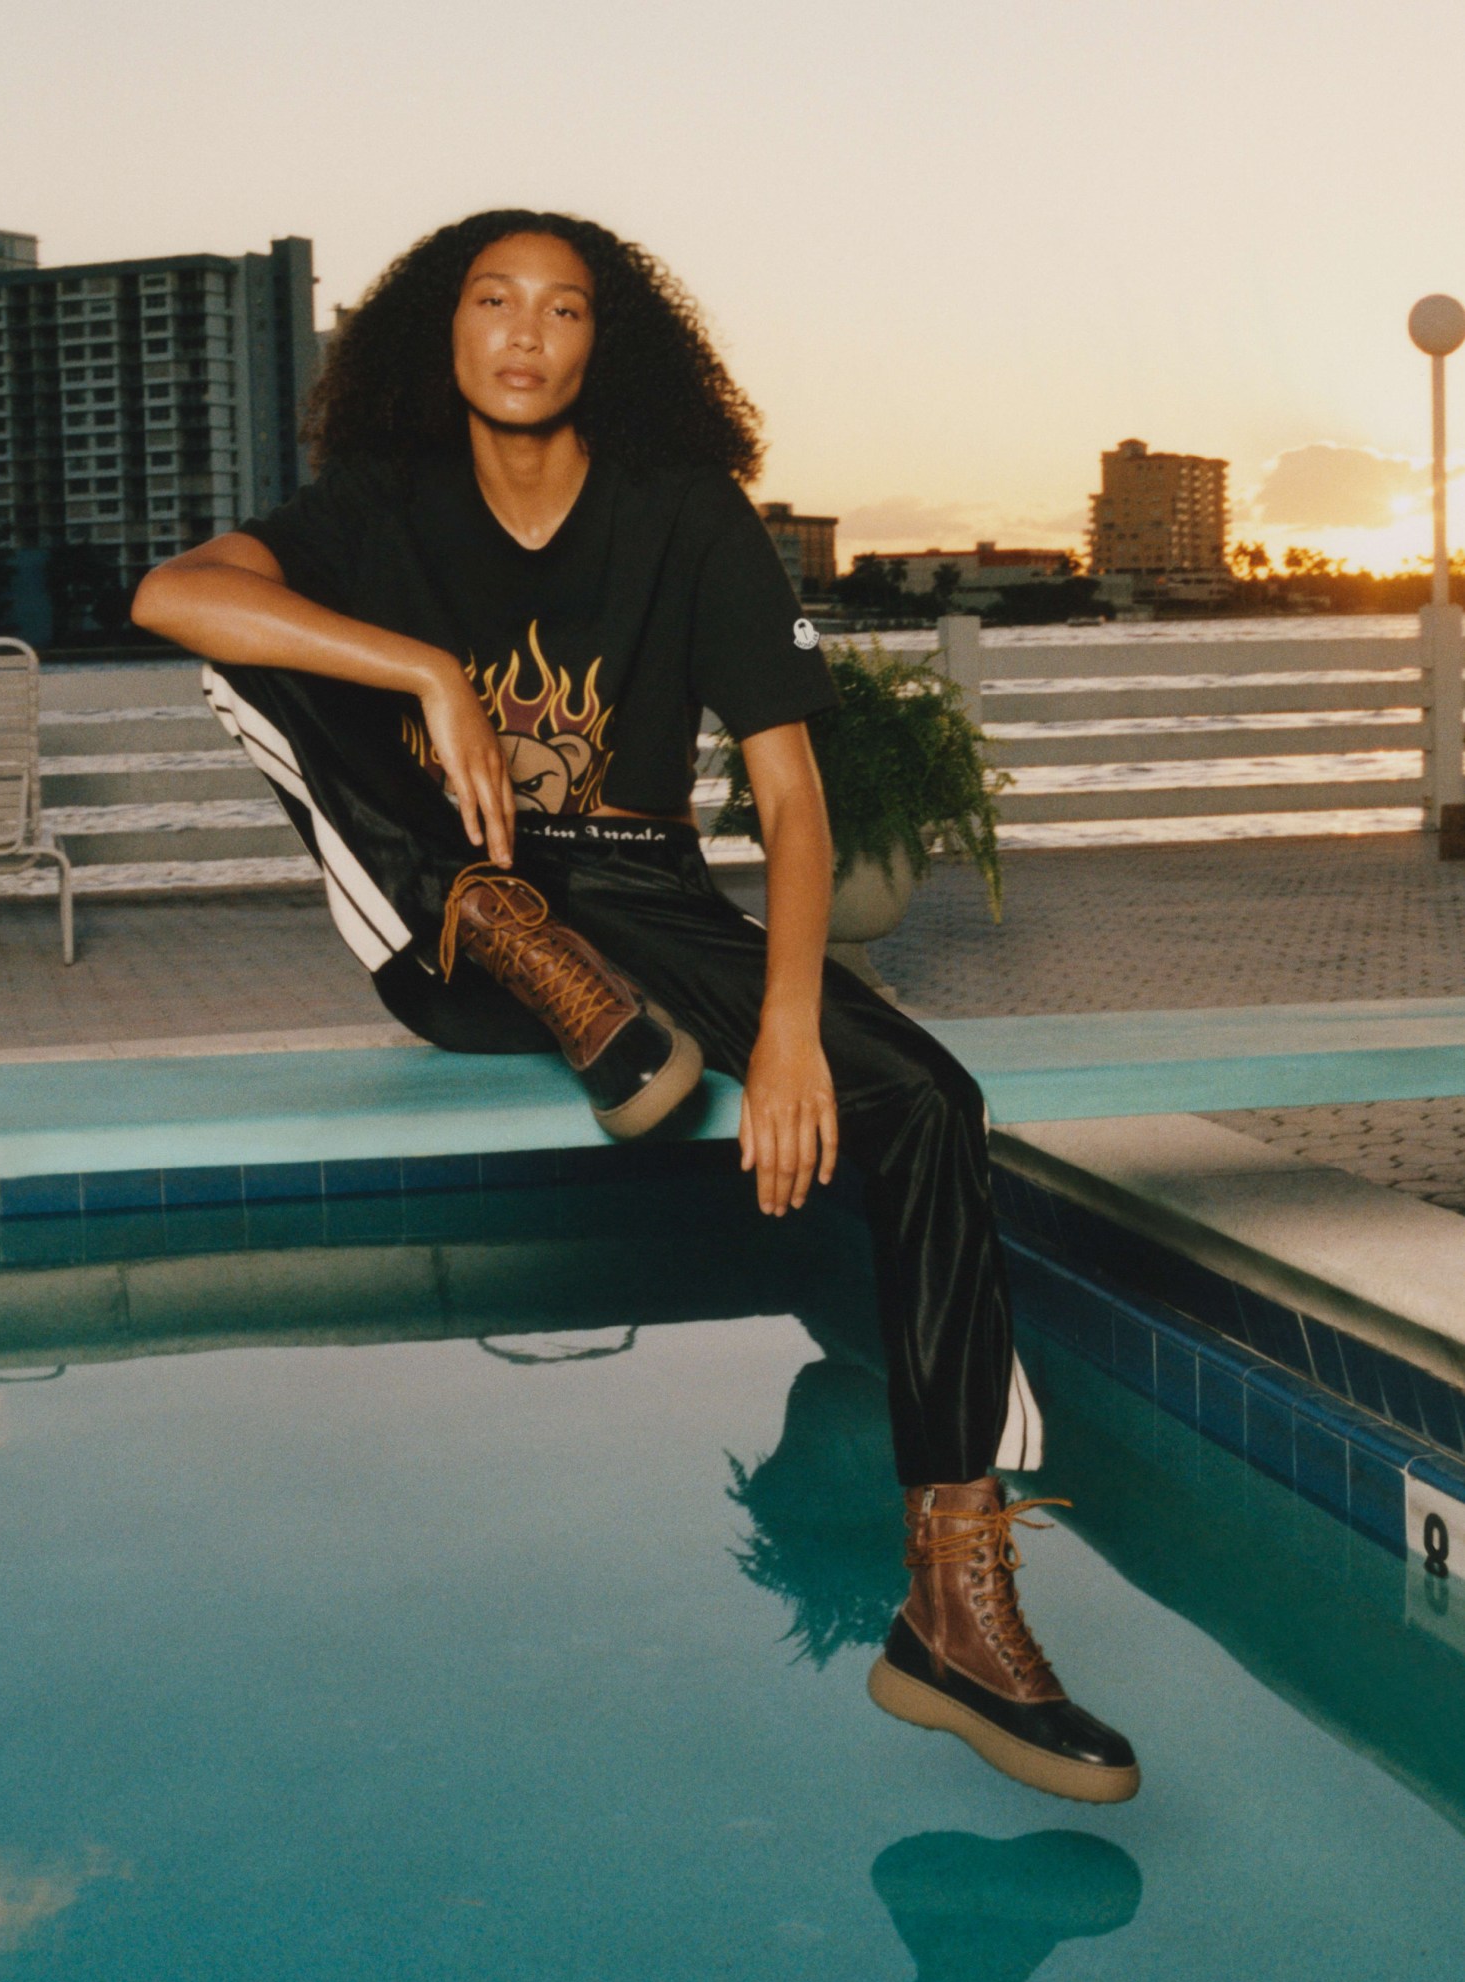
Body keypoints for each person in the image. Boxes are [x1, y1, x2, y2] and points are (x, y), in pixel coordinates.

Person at [132, 208, 1138, 1804]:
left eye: (564, 310)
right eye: (491, 302)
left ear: (610, 344)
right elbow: (170, 596)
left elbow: (793, 802)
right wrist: (423, 672)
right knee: (249, 649)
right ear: (436, 335)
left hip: (651, 910)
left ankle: (951, 1605)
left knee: (930, 1105)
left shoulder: (687, 516)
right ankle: (523, 947)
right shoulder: (374, 511)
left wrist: (794, 1025)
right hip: (451, 921)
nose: (526, 334)